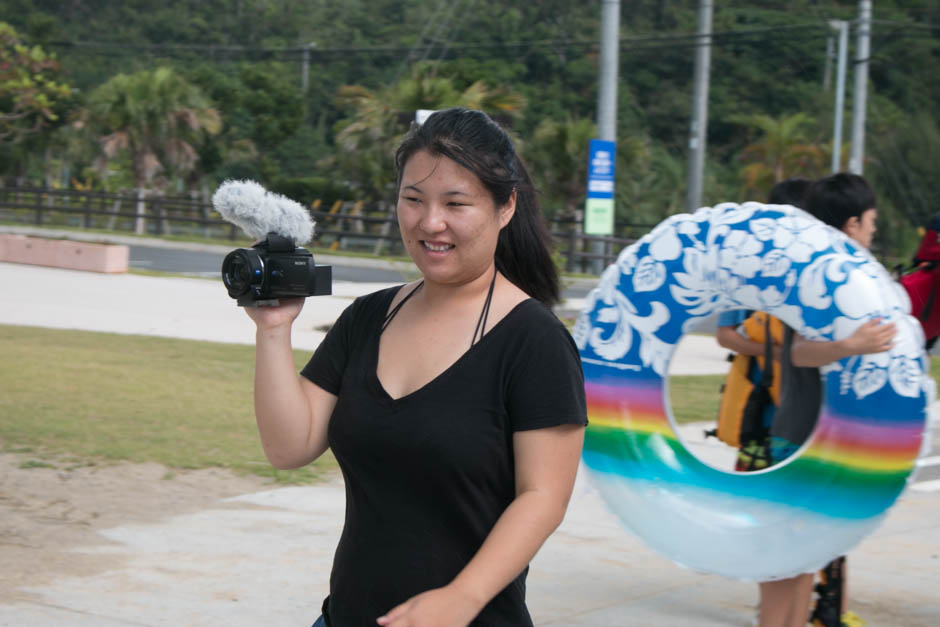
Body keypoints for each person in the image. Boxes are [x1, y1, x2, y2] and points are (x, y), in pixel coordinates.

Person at [243, 107, 588, 627]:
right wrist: (273, 328)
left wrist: (462, 598)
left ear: (505, 206)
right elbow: (289, 447)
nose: (431, 223)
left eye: (456, 203)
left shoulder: (534, 341)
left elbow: (543, 497)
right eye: (413, 200)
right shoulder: (369, 317)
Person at [757, 172, 895, 627]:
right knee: (784, 565)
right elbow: (797, 352)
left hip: (828, 441)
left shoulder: (846, 277)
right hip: (800, 438)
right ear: (853, 223)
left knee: (803, 563)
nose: (875, 231)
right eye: (872, 221)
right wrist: (852, 346)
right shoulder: (815, 275)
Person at [714, 178, 811, 471]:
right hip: (761, 409)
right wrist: (772, 351)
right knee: (753, 498)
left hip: (807, 414)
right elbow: (725, 335)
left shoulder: (816, 273)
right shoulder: (746, 270)